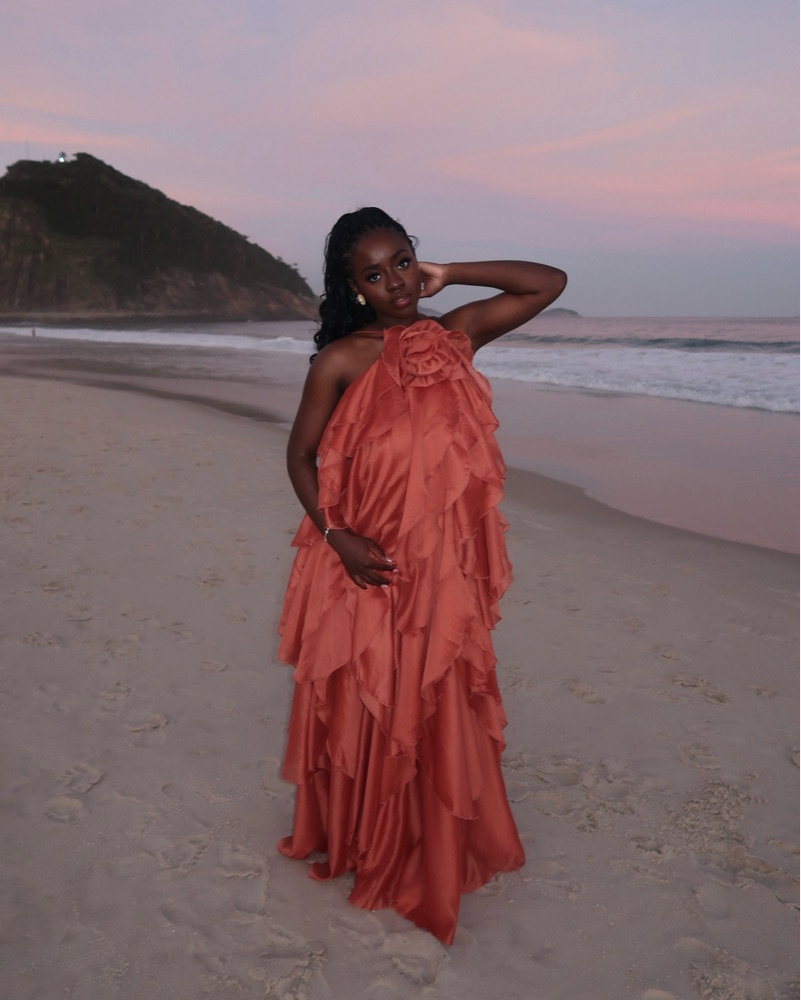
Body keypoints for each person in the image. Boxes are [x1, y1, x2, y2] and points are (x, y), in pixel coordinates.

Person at [276, 207, 567, 944]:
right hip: (369, 565)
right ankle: (369, 841)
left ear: (418, 261)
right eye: (374, 275)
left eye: (403, 262)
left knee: (434, 696)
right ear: (354, 288)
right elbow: (300, 457)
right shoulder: (340, 361)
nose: (396, 283)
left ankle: (430, 844)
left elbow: (546, 283)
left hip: (441, 571)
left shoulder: (455, 336)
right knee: (373, 701)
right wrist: (336, 537)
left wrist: (453, 274)